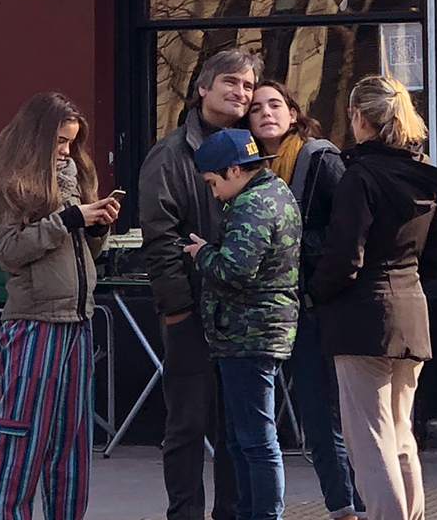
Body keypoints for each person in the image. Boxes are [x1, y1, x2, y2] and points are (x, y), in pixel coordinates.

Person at [0, 93, 121, 520]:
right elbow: (11, 251)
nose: (67, 151)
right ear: (36, 138)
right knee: (22, 435)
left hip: (78, 316)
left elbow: (82, 249)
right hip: (35, 321)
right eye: (59, 142)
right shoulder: (6, 179)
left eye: (72, 142)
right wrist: (70, 219)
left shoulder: (75, 175)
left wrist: (98, 224)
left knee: (71, 440)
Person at [312, 75, 437, 520]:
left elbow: (344, 257)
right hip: (411, 311)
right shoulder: (428, 176)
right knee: (400, 434)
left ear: (358, 118)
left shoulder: (360, 177)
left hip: (360, 316)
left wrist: (315, 293)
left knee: (369, 440)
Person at [139, 49, 261, 520]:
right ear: (203, 89)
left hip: (243, 312)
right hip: (191, 311)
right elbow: (159, 236)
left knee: (237, 427)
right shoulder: (169, 155)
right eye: (231, 82)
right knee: (187, 426)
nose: (241, 93)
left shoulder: (253, 151)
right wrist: (177, 308)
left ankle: (230, 512)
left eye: (248, 86)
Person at [249, 79, 360, 520]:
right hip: (267, 307)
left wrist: (297, 256)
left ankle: (348, 506)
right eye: (256, 108)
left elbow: (346, 232)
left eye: (275, 104)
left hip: (314, 305)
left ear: (293, 113)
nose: (266, 113)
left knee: (322, 415)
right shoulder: (246, 169)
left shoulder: (319, 160)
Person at [183, 128, 303, 520]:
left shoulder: (251, 206)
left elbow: (236, 271)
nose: (213, 193)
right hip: (259, 331)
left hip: (248, 334)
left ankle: (264, 514)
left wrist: (202, 254)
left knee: (254, 439)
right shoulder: (278, 192)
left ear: (234, 171)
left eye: (213, 182)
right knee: (243, 437)